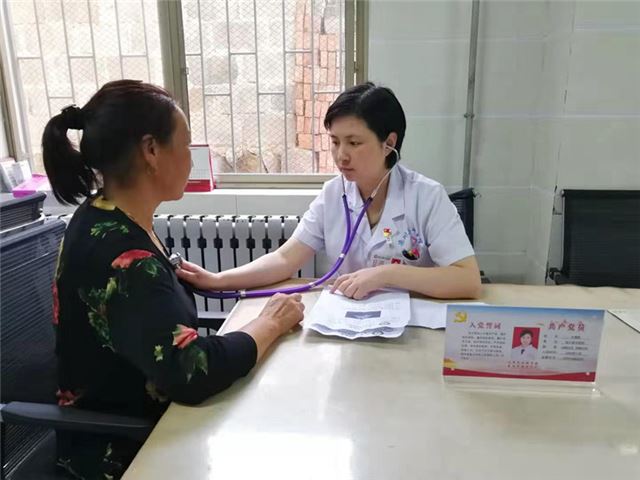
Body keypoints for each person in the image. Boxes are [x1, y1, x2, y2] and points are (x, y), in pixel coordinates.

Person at [43, 80, 305, 479]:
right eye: (185, 144)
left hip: (157, 421)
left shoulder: (109, 216)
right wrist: (269, 323)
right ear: (151, 151)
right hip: (124, 451)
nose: (191, 156)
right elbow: (191, 372)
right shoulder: (120, 253)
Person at [177, 83, 481, 300]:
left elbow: (467, 280)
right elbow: (284, 260)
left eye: (354, 142)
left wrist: (386, 274)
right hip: (346, 327)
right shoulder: (334, 194)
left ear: (389, 143)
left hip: (410, 332)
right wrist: (218, 280)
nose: (341, 155)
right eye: (335, 142)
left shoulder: (426, 197)